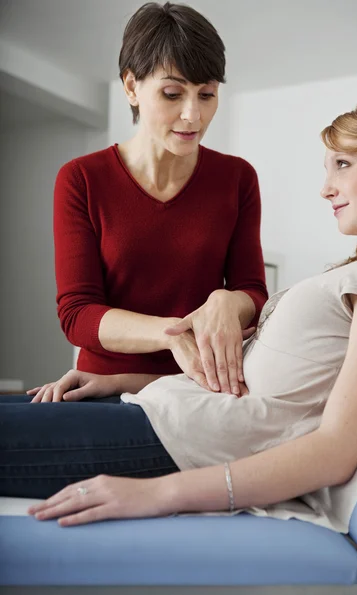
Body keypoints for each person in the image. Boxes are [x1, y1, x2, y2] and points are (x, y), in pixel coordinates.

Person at [1, 93, 357, 531]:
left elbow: (335, 451)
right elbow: (251, 391)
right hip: (158, 408)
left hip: (178, 442)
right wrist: (119, 381)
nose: (325, 187)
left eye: (342, 164)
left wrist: (159, 493)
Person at [46, 1, 268, 400]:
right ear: (131, 87)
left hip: (196, 393)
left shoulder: (237, 179)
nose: (193, 115)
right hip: (101, 391)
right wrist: (171, 336)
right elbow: (77, 314)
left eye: (206, 95)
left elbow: (252, 292)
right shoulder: (81, 179)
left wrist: (227, 301)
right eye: (172, 93)